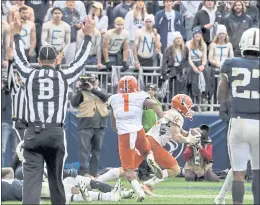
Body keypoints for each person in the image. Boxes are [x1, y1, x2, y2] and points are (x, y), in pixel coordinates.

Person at [12, 12, 94, 205]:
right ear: (56, 60)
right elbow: (80, 62)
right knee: (56, 180)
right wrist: (88, 36)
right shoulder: (63, 76)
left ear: (39, 61)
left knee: (31, 181)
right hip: (55, 132)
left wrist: (16, 35)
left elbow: (19, 58)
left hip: (32, 132)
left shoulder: (29, 75)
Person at [97, 94, 201, 193]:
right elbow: (176, 136)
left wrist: (191, 135)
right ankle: (147, 185)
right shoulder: (177, 116)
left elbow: (180, 131)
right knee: (175, 169)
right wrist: (189, 140)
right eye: (188, 106)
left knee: (127, 169)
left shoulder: (171, 113)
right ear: (181, 106)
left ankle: (97, 181)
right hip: (154, 143)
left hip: (146, 141)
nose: (190, 109)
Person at [217, 28, 259, 204]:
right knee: (258, 170)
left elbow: (222, 90)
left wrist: (223, 105)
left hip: (239, 121)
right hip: (259, 121)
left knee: (238, 173)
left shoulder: (230, 63)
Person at [108, 75, 165, 202]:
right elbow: (155, 104)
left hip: (124, 134)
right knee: (147, 151)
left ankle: (139, 191)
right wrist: (163, 122)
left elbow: (113, 125)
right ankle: (150, 159)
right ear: (135, 86)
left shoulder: (113, 98)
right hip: (138, 130)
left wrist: (116, 127)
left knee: (128, 170)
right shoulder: (140, 95)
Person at [71, 74, 109, 177]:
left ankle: (93, 172)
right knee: (84, 150)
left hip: (100, 125)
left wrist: (93, 89)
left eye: (93, 81)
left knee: (96, 151)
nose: (90, 83)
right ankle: (84, 172)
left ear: (97, 81)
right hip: (85, 125)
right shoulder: (81, 93)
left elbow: (105, 98)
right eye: (89, 81)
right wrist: (79, 89)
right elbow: (74, 103)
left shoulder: (101, 91)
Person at [138, 83, 161, 181]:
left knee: (151, 153)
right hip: (145, 130)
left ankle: (148, 172)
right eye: (149, 89)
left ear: (155, 91)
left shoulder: (157, 102)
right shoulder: (143, 102)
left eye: (153, 89)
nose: (151, 91)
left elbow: (160, 116)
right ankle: (142, 173)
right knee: (144, 153)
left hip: (154, 131)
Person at [161, 31, 188, 96]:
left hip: (181, 71)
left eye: (180, 38)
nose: (178, 40)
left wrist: (186, 70)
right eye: (176, 38)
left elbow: (187, 61)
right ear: (174, 40)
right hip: (171, 71)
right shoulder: (168, 49)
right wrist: (165, 74)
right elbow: (164, 63)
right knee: (172, 91)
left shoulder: (185, 49)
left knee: (182, 90)